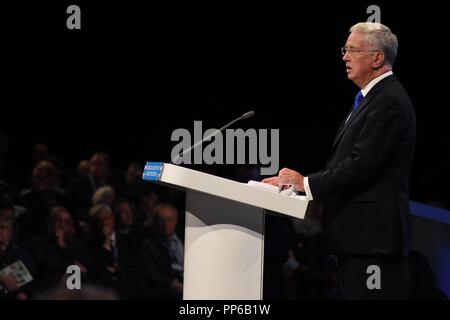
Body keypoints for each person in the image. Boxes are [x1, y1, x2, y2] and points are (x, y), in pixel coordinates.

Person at [263, 22, 416, 299]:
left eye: (352, 50)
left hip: (373, 243)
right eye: (344, 49)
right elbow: (347, 163)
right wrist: (297, 185)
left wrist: (306, 183)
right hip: (359, 241)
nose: (345, 57)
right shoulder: (370, 99)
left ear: (377, 58)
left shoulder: (389, 100)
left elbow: (362, 165)